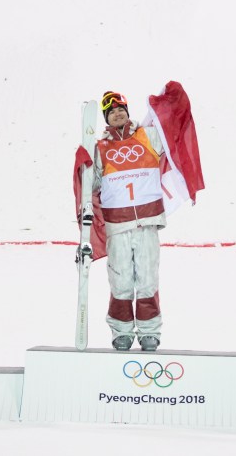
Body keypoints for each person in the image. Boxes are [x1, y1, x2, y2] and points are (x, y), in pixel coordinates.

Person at [93, 91, 167, 352]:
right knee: (121, 281)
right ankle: (121, 330)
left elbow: (172, 130)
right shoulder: (100, 148)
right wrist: (82, 165)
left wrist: (171, 97)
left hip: (146, 221)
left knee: (147, 277)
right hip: (117, 224)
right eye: (111, 111)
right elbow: (91, 184)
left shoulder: (148, 136)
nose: (117, 113)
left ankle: (149, 331)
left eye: (121, 108)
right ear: (106, 118)